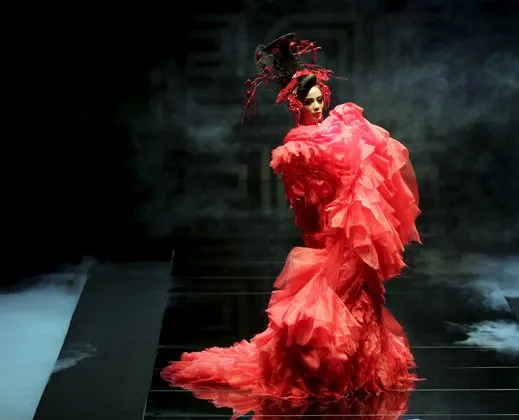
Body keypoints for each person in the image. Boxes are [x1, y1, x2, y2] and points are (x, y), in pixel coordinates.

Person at [161, 33, 422, 418]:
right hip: (328, 230)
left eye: (320, 100)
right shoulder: (297, 144)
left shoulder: (337, 129)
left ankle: (350, 373)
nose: (317, 107)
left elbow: (367, 155)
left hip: (349, 228)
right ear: (296, 106)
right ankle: (323, 373)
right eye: (310, 102)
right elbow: (309, 202)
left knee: (358, 300)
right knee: (326, 308)